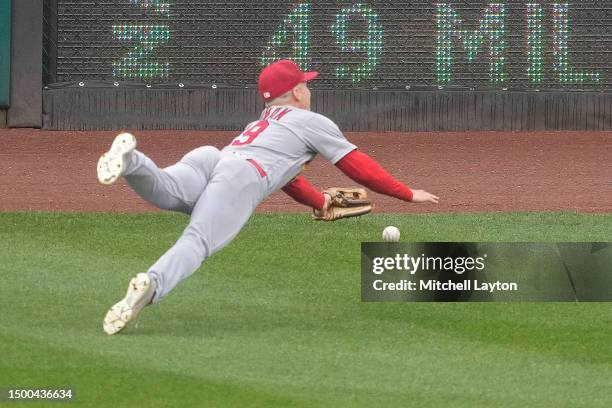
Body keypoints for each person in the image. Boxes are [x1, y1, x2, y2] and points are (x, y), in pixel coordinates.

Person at [98, 59, 439, 335]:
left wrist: (320, 202)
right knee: (199, 240)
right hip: (238, 178)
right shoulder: (309, 121)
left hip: (212, 158)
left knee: (167, 190)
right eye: (305, 84)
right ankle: (152, 284)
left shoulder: (262, 121)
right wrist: (406, 193)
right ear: (295, 94)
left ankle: (133, 161)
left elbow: (288, 179)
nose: (308, 89)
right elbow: (356, 165)